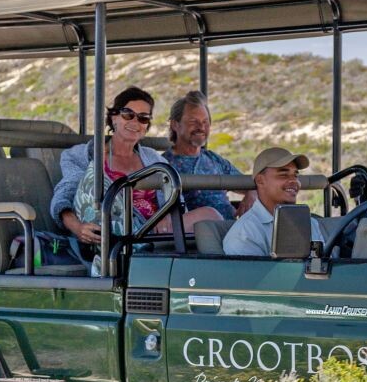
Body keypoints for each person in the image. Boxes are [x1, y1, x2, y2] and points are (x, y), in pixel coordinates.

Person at [50, 86, 219, 254]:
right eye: (128, 114)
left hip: (157, 232)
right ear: (114, 117)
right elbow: (64, 195)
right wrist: (77, 227)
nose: (135, 122)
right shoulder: (82, 156)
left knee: (212, 218)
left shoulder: (155, 159)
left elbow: (176, 201)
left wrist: (165, 217)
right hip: (116, 236)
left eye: (143, 118)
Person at [223, 147, 326, 257]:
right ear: (260, 180)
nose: (294, 181)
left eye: (296, 175)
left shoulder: (310, 223)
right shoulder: (244, 234)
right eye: (283, 175)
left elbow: (321, 264)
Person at [163, 90, 249, 221]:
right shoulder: (165, 164)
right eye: (193, 121)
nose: (201, 127)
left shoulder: (214, 159)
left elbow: (248, 184)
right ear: (175, 124)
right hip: (197, 232)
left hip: (233, 228)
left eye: (205, 122)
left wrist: (252, 193)